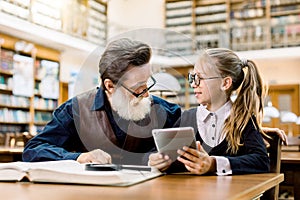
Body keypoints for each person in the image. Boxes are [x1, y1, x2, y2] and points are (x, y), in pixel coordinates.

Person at [22, 38, 181, 165]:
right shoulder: (75, 110)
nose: (146, 95)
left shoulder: (165, 110)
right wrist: (79, 157)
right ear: (110, 86)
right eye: (138, 88)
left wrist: (159, 158)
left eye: (147, 83)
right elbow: (33, 149)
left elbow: (189, 148)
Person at [149, 48, 286, 175]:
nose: (193, 84)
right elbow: (175, 162)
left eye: (200, 78)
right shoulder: (187, 118)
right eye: (192, 77)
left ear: (225, 83)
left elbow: (261, 161)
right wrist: (161, 163)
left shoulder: (243, 120)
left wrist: (213, 164)